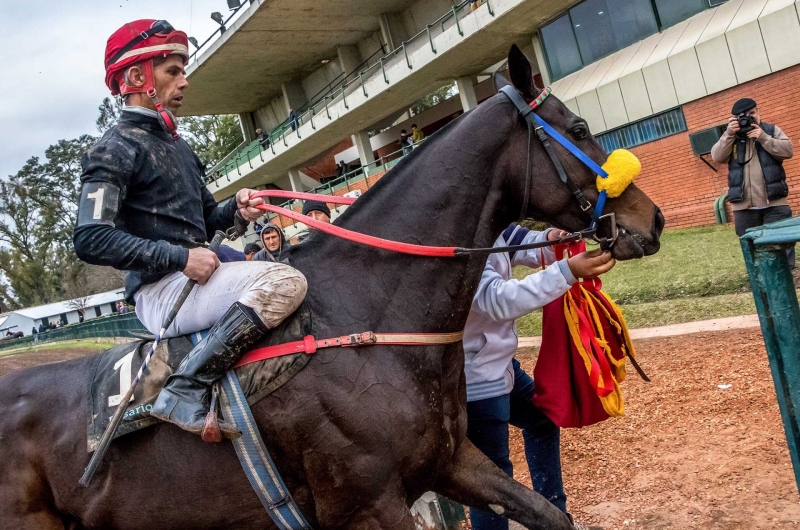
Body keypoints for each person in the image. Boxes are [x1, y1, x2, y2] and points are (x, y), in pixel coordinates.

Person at [73, 20, 307, 440]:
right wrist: (180, 258)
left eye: (183, 70)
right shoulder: (114, 147)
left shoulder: (178, 146)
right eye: (172, 71)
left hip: (199, 278)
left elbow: (206, 220)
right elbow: (90, 238)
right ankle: (185, 389)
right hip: (161, 291)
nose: (184, 82)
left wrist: (236, 210)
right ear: (135, 77)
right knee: (283, 282)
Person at [464, 223, 616, 530]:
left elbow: (525, 244)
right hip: (475, 378)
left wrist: (552, 240)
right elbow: (496, 300)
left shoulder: (491, 216)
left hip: (497, 363)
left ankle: (554, 519)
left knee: (541, 419)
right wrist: (567, 272)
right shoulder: (460, 227)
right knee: (492, 480)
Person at [711, 97, 795, 267]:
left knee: (782, 248)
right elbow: (717, 156)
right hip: (744, 207)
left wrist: (763, 137)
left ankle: (786, 283)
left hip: (775, 204)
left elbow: (788, 150)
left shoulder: (770, 130)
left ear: (758, 111)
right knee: (751, 249)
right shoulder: (731, 137)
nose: (748, 117)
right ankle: (760, 284)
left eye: (752, 113)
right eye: (742, 115)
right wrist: (728, 134)